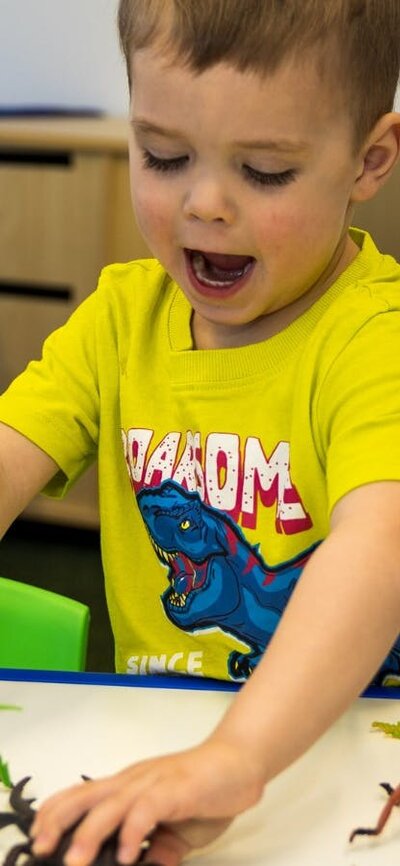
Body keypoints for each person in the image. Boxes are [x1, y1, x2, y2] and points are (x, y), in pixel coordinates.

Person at [0, 0, 399, 863]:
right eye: (165, 156)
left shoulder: (378, 339)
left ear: (370, 160)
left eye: (263, 170)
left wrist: (236, 756)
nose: (205, 204)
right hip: (162, 746)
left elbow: (383, 545)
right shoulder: (118, 319)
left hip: (350, 750)